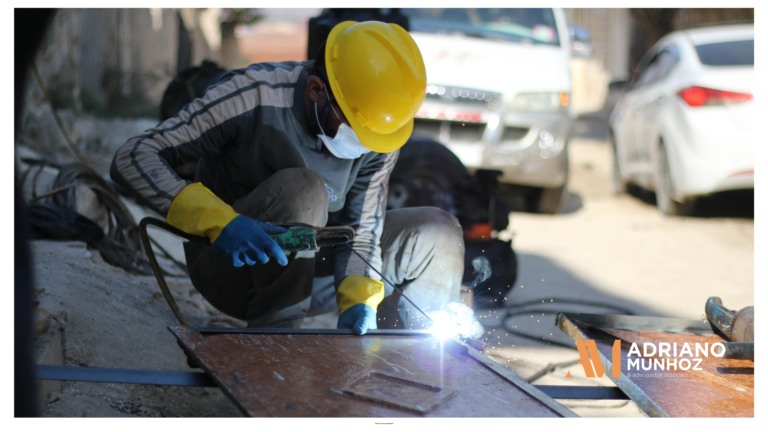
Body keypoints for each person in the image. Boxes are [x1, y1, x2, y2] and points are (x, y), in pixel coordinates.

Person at [111, 21, 465, 335]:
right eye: (354, 130)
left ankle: (420, 365)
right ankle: (278, 346)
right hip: (233, 267)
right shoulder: (252, 95)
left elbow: (363, 231)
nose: (363, 145)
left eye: (371, 136)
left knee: (437, 231)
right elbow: (134, 156)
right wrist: (221, 222)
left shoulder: (379, 136)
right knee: (305, 189)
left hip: (317, 272)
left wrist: (359, 298)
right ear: (316, 90)